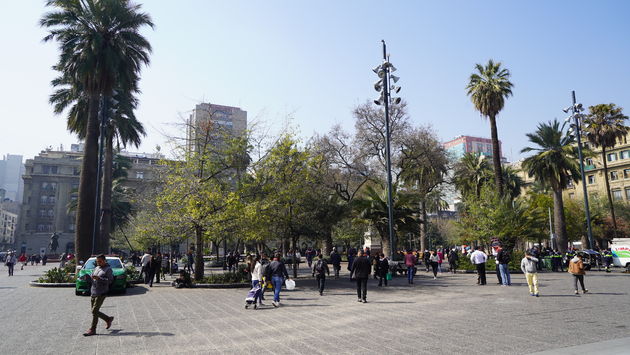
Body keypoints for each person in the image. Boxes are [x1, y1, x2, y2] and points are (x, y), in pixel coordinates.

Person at [82, 254, 114, 336]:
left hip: (102, 292)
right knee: (94, 312)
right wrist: (87, 278)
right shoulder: (96, 268)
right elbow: (93, 279)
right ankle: (107, 319)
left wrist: (100, 278)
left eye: (100, 261)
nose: (98, 263)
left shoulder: (108, 269)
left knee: (94, 310)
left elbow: (110, 281)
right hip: (93, 291)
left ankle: (92, 329)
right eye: (97, 261)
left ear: (104, 261)